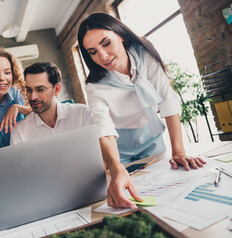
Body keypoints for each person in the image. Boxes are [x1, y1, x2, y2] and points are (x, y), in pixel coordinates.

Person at [77, 13, 206, 208]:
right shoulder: (95, 86)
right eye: (93, 52)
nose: (102, 56)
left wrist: (178, 151)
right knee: (126, 192)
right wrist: (115, 166)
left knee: (164, 187)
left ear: (120, 35)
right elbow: (104, 130)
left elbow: (167, 99)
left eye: (106, 43)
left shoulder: (144, 54)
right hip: (118, 146)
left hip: (150, 136)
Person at [10, 62, 94, 145]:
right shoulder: (19, 132)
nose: (32, 97)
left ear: (56, 89)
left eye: (40, 89)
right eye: (29, 90)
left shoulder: (83, 114)